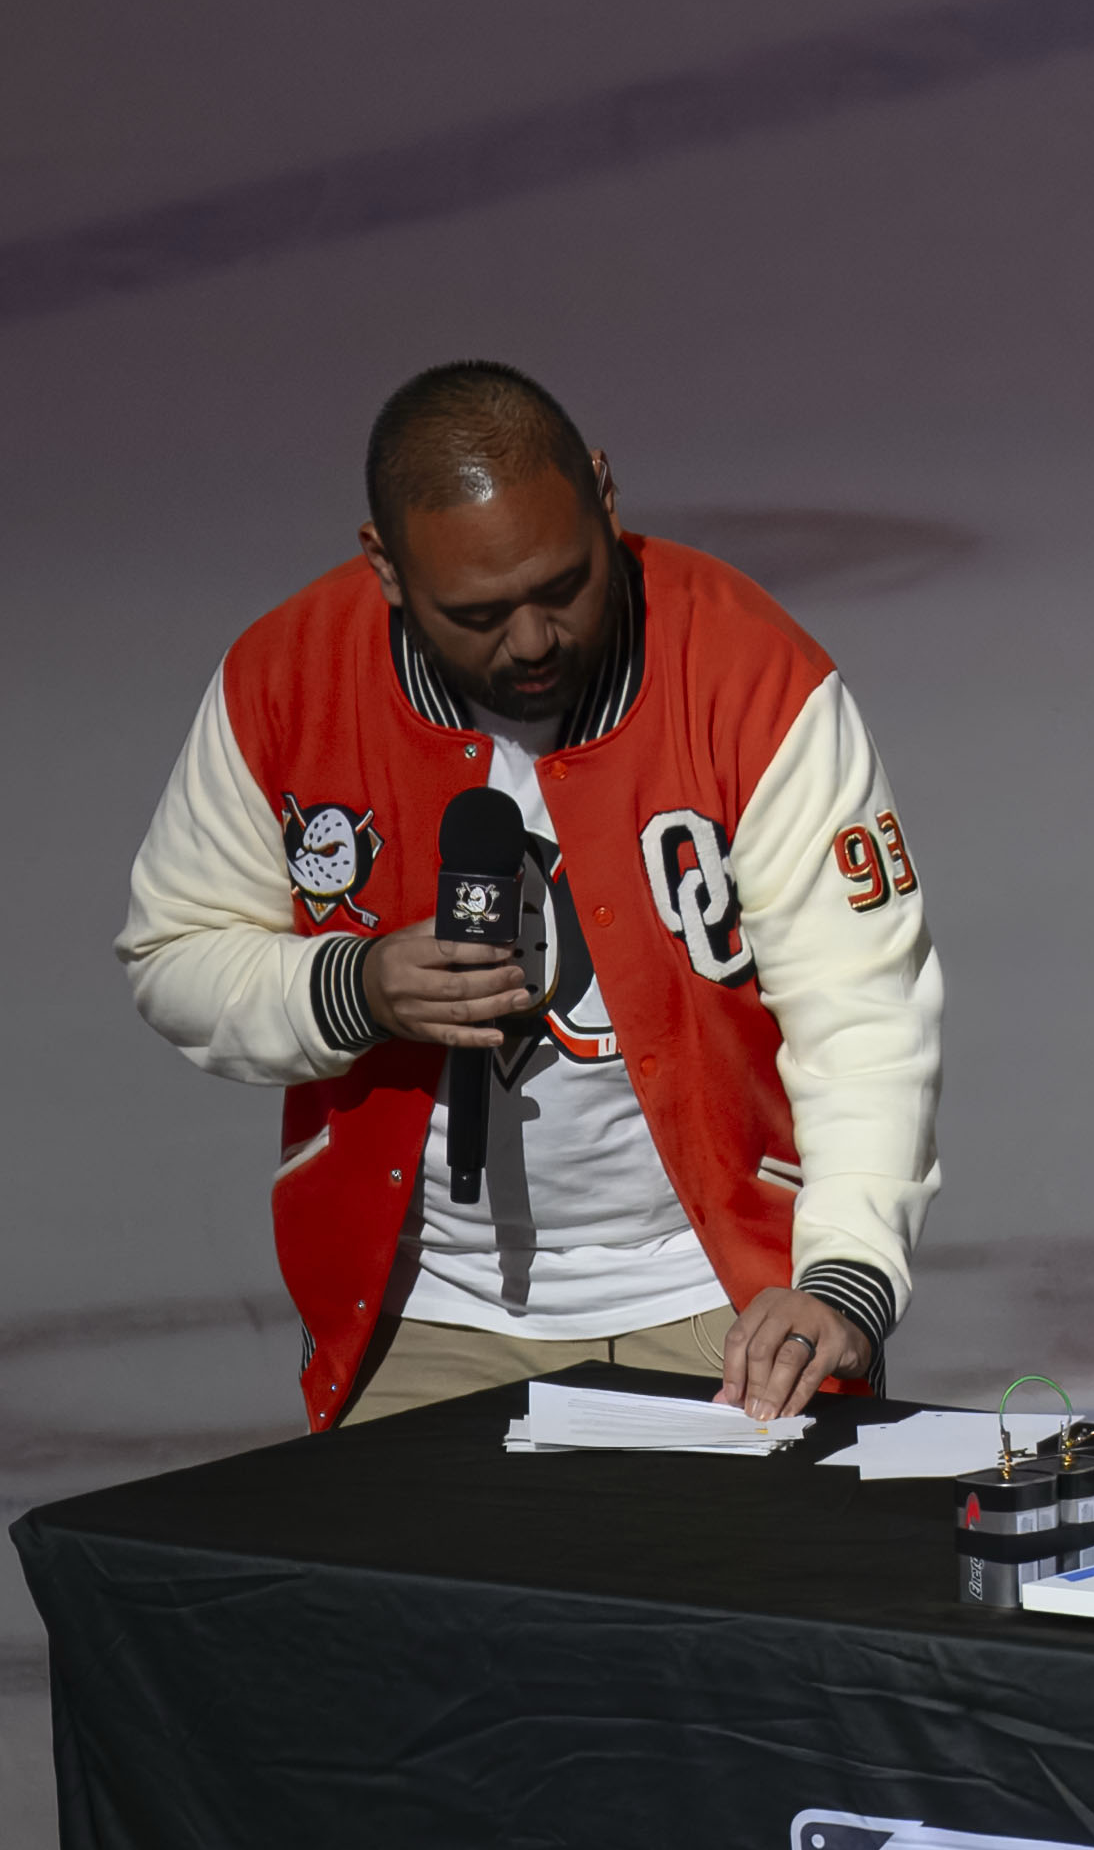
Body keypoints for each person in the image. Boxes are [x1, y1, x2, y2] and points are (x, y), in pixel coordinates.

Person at [122, 362, 943, 1428]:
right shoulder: (286, 678)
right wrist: (350, 984)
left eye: (564, 587)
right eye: (478, 611)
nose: (531, 641)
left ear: (606, 497)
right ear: (385, 567)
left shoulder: (749, 675)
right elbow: (172, 950)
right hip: (419, 1314)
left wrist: (842, 1277)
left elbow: (864, 1010)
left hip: (726, 1306)